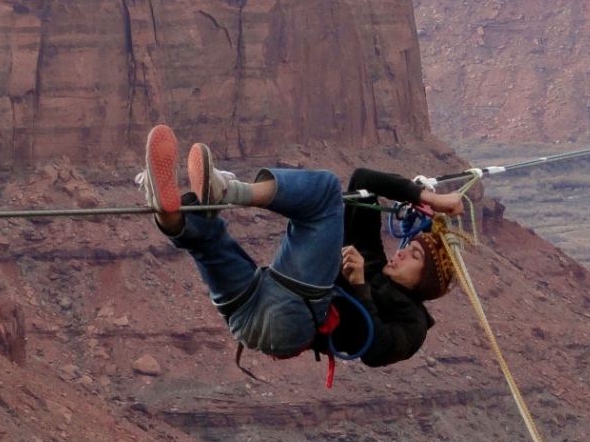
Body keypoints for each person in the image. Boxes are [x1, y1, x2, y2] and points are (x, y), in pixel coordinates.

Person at [139, 124, 464, 371]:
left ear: (427, 280)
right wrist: (427, 197)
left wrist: (360, 285)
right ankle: (168, 213)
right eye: (411, 247)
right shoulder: (372, 256)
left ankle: (228, 191)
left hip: (292, 322)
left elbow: (376, 352)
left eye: (415, 255)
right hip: (245, 311)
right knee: (204, 229)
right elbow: (364, 180)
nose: (403, 251)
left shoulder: (414, 323)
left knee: (325, 191)